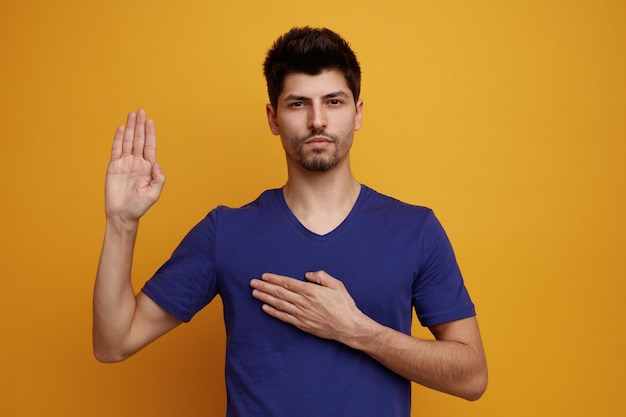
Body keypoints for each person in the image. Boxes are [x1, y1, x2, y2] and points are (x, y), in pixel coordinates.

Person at [93, 27, 487, 416]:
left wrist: (357, 330)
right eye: (298, 104)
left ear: (358, 113)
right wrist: (122, 223)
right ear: (273, 118)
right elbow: (114, 342)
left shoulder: (414, 230)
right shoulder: (225, 233)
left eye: (334, 102)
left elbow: (471, 377)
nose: (318, 121)